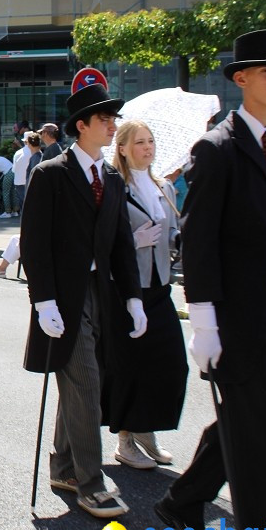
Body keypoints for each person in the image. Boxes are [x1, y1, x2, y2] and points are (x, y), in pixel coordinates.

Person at [157, 30, 266, 530]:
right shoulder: (217, 147)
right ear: (241, 79)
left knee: (245, 418)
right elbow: (199, 239)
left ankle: (182, 502)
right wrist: (203, 320)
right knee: (258, 436)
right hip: (230, 313)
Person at [20, 79, 146, 518]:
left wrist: (133, 297)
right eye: (105, 119)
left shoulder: (110, 176)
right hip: (64, 298)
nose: (113, 126)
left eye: (113, 119)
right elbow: (34, 242)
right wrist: (44, 301)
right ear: (82, 125)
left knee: (82, 382)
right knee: (86, 382)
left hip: (100, 294)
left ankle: (64, 465)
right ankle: (91, 483)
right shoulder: (51, 174)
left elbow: (121, 244)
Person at [104, 120, 188, 470]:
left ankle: (146, 429)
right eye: (140, 142)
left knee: (171, 364)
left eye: (151, 141)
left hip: (159, 288)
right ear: (122, 148)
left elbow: (171, 236)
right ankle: (126, 438)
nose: (148, 148)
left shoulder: (164, 187)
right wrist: (131, 242)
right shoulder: (113, 188)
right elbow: (104, 240)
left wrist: (178, 240)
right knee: (130, 366)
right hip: (126, 288)